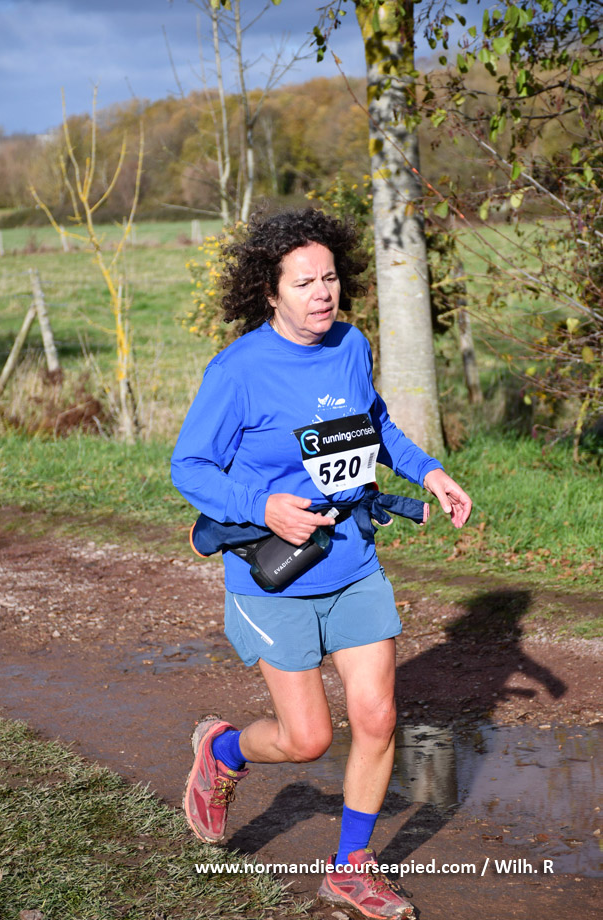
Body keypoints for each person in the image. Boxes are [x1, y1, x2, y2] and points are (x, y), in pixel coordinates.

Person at [171, 208, 472, 920]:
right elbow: (189, 466)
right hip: (274, 574)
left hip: (352, 562)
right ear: (269, 291)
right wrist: (262, 504)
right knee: (307, 740)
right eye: (303, 282)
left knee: (377, 717)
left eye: (329, 277)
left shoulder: (349, 344)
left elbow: (374, 424)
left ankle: (350, 870)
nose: (322, 293)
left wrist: (427, 471)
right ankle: (222, 750)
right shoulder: (238, 371)